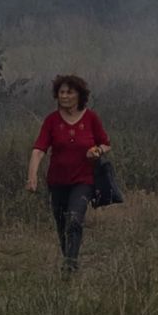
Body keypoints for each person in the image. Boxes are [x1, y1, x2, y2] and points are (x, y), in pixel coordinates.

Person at [26, 75, 113, 275]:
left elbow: (106, 143)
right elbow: (39, 150)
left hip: (83, 180)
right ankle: (69, 257)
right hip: (57, 182)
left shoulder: (91, 118)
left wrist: (97, 151)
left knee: (75, 219)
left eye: (69, 92)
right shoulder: (51, 121)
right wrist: (32, 176)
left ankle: (70, 264)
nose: (64, 96)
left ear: (79, 95)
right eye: (61, 92)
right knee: (62, 223)